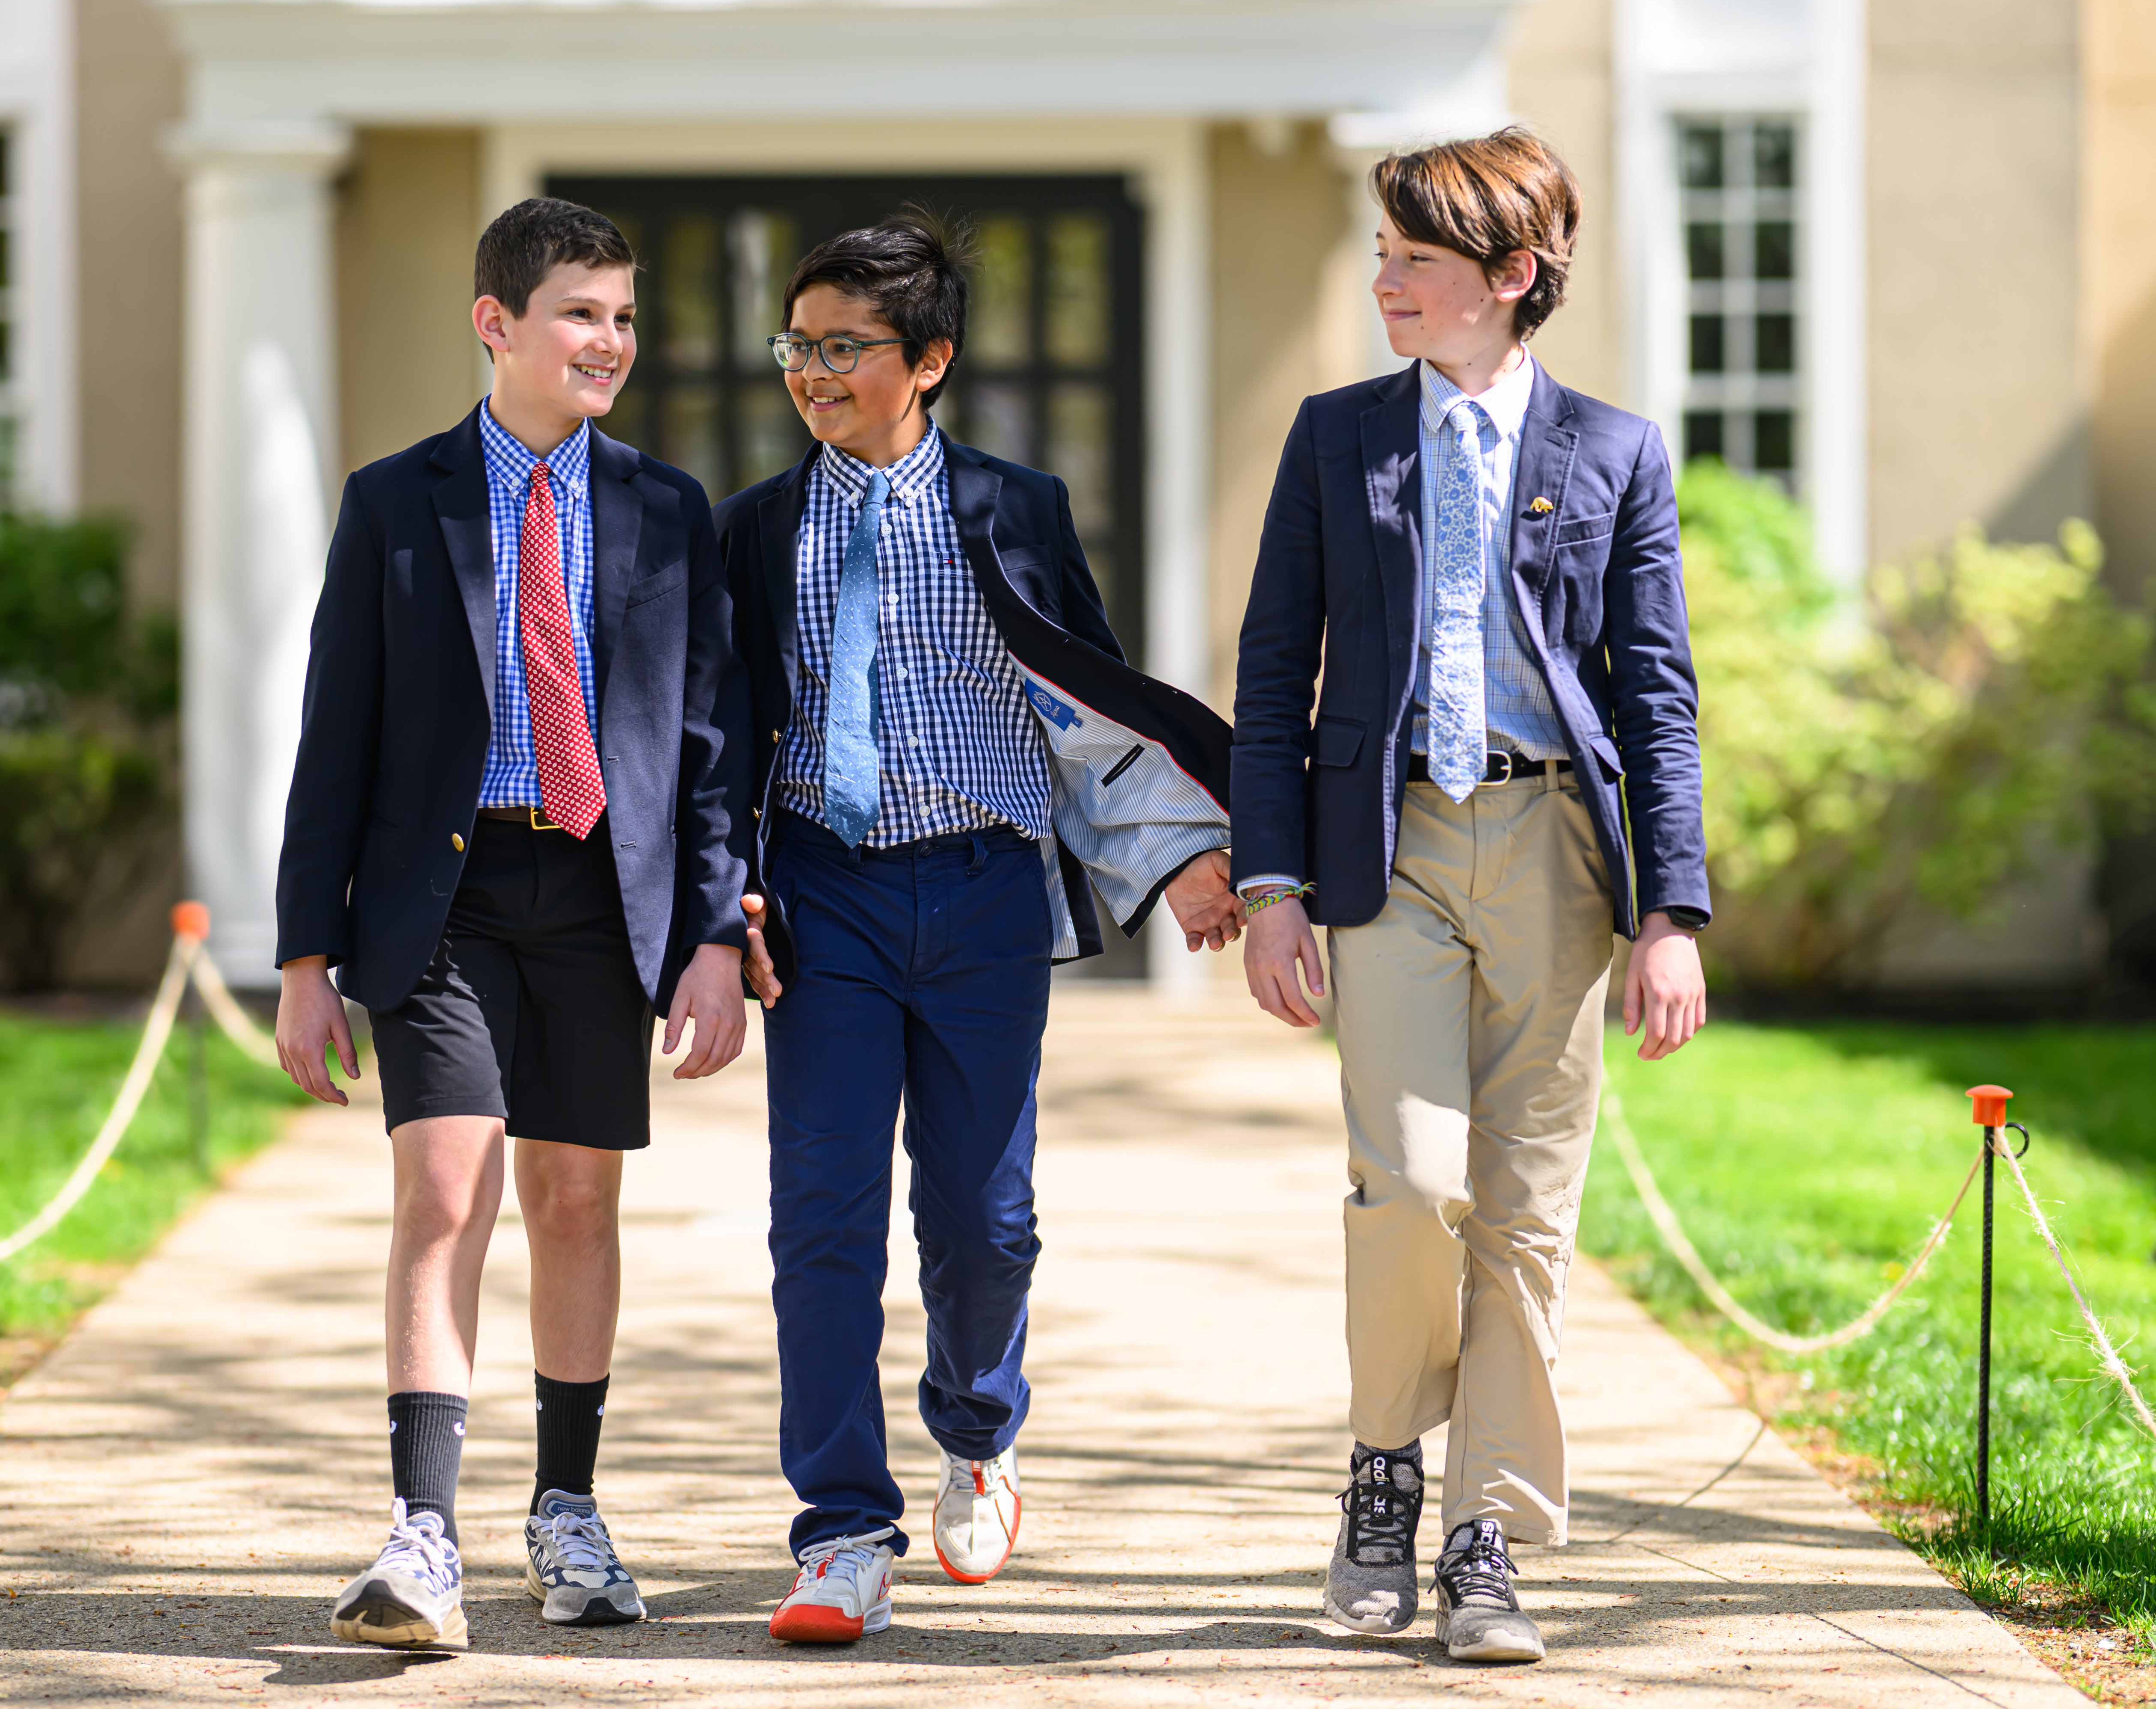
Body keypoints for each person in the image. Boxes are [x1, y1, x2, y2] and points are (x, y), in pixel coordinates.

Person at [714, 211, 1243, 1645]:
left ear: (930, 359)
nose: (813, 373)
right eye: (797, 345)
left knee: (983, 1217)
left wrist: (1182, 857)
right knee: (821, 1219)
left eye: (846, 347)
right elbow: (722, 735)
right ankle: (840, 1532)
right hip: (824, 896)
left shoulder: (1019, 506)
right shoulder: (755, 529)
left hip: (985, 894)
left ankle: (979, 1432)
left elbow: (1088, 700)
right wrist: (720, 902)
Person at [1230, 129, 1709, 1665]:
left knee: (1525, 1215)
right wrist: (1272, 880)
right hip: (1393, 852)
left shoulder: (1616, 452)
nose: (1385, 283)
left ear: (1509, 277)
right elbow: (1272, 672)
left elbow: (1658, 699)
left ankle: (1484, 1536)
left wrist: (1672, 913)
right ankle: (1384, 1468)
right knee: (1412, 1186)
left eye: (1415, 262)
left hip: (1559, 849)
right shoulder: (1336, 438)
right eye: (1384, 256)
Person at [271, 197, 751, 1650]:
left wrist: (714, 934)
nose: (610, 341)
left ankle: (567, 1511)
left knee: (575, 1202)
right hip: (445, 899)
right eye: (579, 314)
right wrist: (304, 958)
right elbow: (335, 739)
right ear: (498, 324)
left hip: (606, 899)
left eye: (623, 316)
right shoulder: (395, 503)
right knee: (445, 1191)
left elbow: (709, 745)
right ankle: (422, 1534)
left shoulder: (668, 509)